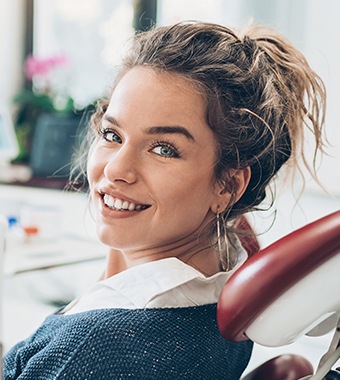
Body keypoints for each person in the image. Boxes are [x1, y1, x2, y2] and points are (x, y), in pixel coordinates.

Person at [4, 21, 325, 379]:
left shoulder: (93, 349)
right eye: (112, 134)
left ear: (227, 186)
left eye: (163, 149)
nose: (116, 169)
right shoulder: (229, 273)